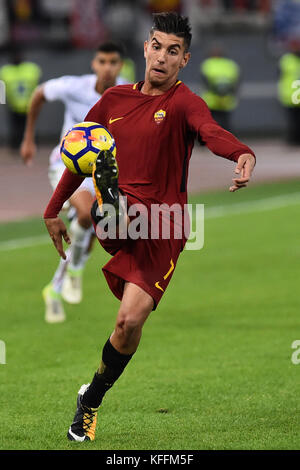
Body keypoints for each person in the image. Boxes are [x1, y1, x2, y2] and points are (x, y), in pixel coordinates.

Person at [43, 12, 256, 441]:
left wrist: (241, 154)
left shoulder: (184, 102)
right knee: (98, 157)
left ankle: (91, 399)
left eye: (172, 51)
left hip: (163, 226)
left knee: (129, 323)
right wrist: (53, 207)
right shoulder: (114, 101)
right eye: (156, 46)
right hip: (122, 216)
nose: (161, 57)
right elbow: (78, 154)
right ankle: (110, 195)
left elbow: (210, 131)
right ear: (145, 48)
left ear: (184, 60)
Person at [20, 42, 127, 323]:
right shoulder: (73, 86)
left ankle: (54, 289)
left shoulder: (128, 93)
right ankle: (76, 271)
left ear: (121, 66)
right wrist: (29, 137)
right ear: (94, 64)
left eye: (113, 62)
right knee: (84, 214)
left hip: (102, 171)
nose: (107, 67)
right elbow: (39, 93)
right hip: (66, 165)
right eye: (102, 61)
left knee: (95, 225)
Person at [0, 49, 41, 149]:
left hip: (30, 104)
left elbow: (39, 85)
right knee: (16, 127)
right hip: (14, 105)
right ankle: (16, 145)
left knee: (29, 126)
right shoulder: (6, 71)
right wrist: (3, 101)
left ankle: (29, 144)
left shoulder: (31, 69)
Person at [200, 44, 240, 132]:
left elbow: (205, 81)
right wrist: (230, 92)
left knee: (210, 122)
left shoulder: (208, 64)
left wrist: (217, 90)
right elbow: (236, 82)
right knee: (225, 122)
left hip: (212, 99)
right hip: (226, 98)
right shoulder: (231, 65)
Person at [278, 38, 300, 145]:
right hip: (290, 96)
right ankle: (293, 139)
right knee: (293, 120)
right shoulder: (286, 60)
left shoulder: (286, 60)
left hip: (293, 95)